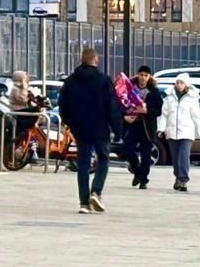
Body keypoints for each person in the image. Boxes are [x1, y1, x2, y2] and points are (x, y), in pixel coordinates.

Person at [58, 46, 122, 214]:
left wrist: (68, 122)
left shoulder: (71, 81)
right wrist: (118, 129)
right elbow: (112, 107)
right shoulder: (103, 80)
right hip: (100, 127)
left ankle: (83, 203)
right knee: (103, 159)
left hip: (80, 128)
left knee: (83, 163)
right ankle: (96, 191)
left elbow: (63, 104)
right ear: (96, 60)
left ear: (81, 60)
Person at [159, 74, 200, 192]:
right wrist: (161, 129)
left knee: (183, 156)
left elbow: (197, 117)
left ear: (186, 84)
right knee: (175, 158)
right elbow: (164, 115)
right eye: (177, 82)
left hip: (186, 133)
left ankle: (183, 180)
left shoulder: (192, 98)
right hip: (172, 132)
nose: (179, 85)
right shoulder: (169, 97)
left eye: (181, 83)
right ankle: (178, 177)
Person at [123, 67, 163, 190]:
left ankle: (143, 179)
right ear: (138, 75)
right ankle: (137, 172)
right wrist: (124, 116)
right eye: (141, 75)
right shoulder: (129, 88)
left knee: (146, 154)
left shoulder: (154, 91)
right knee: (128, 150)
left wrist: (147, 111)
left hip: (147, 126)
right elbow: (119, 105)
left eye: (146, 75)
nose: (143, 78)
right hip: (132, 124)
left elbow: (159, 110)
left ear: (149, 77)